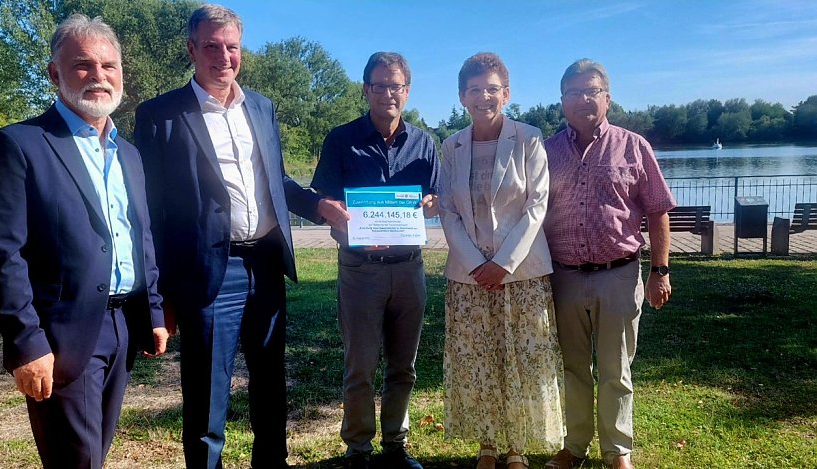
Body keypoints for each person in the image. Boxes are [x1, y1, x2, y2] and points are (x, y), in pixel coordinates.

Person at [133, 4, 346, 468]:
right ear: (191, 49)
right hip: (209, 273)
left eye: (231, 47)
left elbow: (278, 181)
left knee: (270, 383)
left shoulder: (262, 107)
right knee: (208, 393)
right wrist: (159, 294)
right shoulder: (160, 115)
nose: (223, 56)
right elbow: (150, 212)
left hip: (266, 264)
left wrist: (320, 205)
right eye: (211, 46)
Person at [0, 14, 168, 468]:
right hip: (61, 335)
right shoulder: (17, 144)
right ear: (54, 73)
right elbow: (0, 252)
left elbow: (139, 235)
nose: (99, 76)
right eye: (83, 65)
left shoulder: (128, 153)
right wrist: (26, 342)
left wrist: (155, 311)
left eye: (109, 65)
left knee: (93, 454)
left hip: (124, 326)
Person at [542, 59, 676, 469]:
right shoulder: (545, 151)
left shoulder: (634, 146)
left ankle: (618, 451)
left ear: (607, 97)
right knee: (574, 367)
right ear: (562, 100)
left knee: (616, 369)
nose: (583, 100)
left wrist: (660, 271)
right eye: (573, 93)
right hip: (563, 277)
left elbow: (657, 210)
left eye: (591, 91)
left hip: (618, 274)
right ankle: (576, 446)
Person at [311, 51, 440, 469]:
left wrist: (433, 202)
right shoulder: (341, 139)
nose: (388, 93)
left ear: (407, 91)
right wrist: (339, 219)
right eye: (380, 85)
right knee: (360, 366)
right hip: (360, 270)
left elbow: (435, 196)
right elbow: (323, 199)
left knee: (404, 365)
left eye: (396, 86)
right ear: (366, 89)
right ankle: (359, 448)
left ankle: (396, 444)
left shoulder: (424, 143)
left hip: (409, 269)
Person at [438, 52, 564, 469]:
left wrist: (504, 262)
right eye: (475, 89)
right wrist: (477, 263)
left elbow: (537, 204)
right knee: (479, 359)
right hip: (468, 276)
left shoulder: (529, 138)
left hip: (523, 272)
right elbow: (448, 211)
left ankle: (517, 446)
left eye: (492, 88)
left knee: (524, 358)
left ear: (506, 93)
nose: (484, 96)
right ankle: (488, 444)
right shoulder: (451, 145)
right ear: (462, 97)